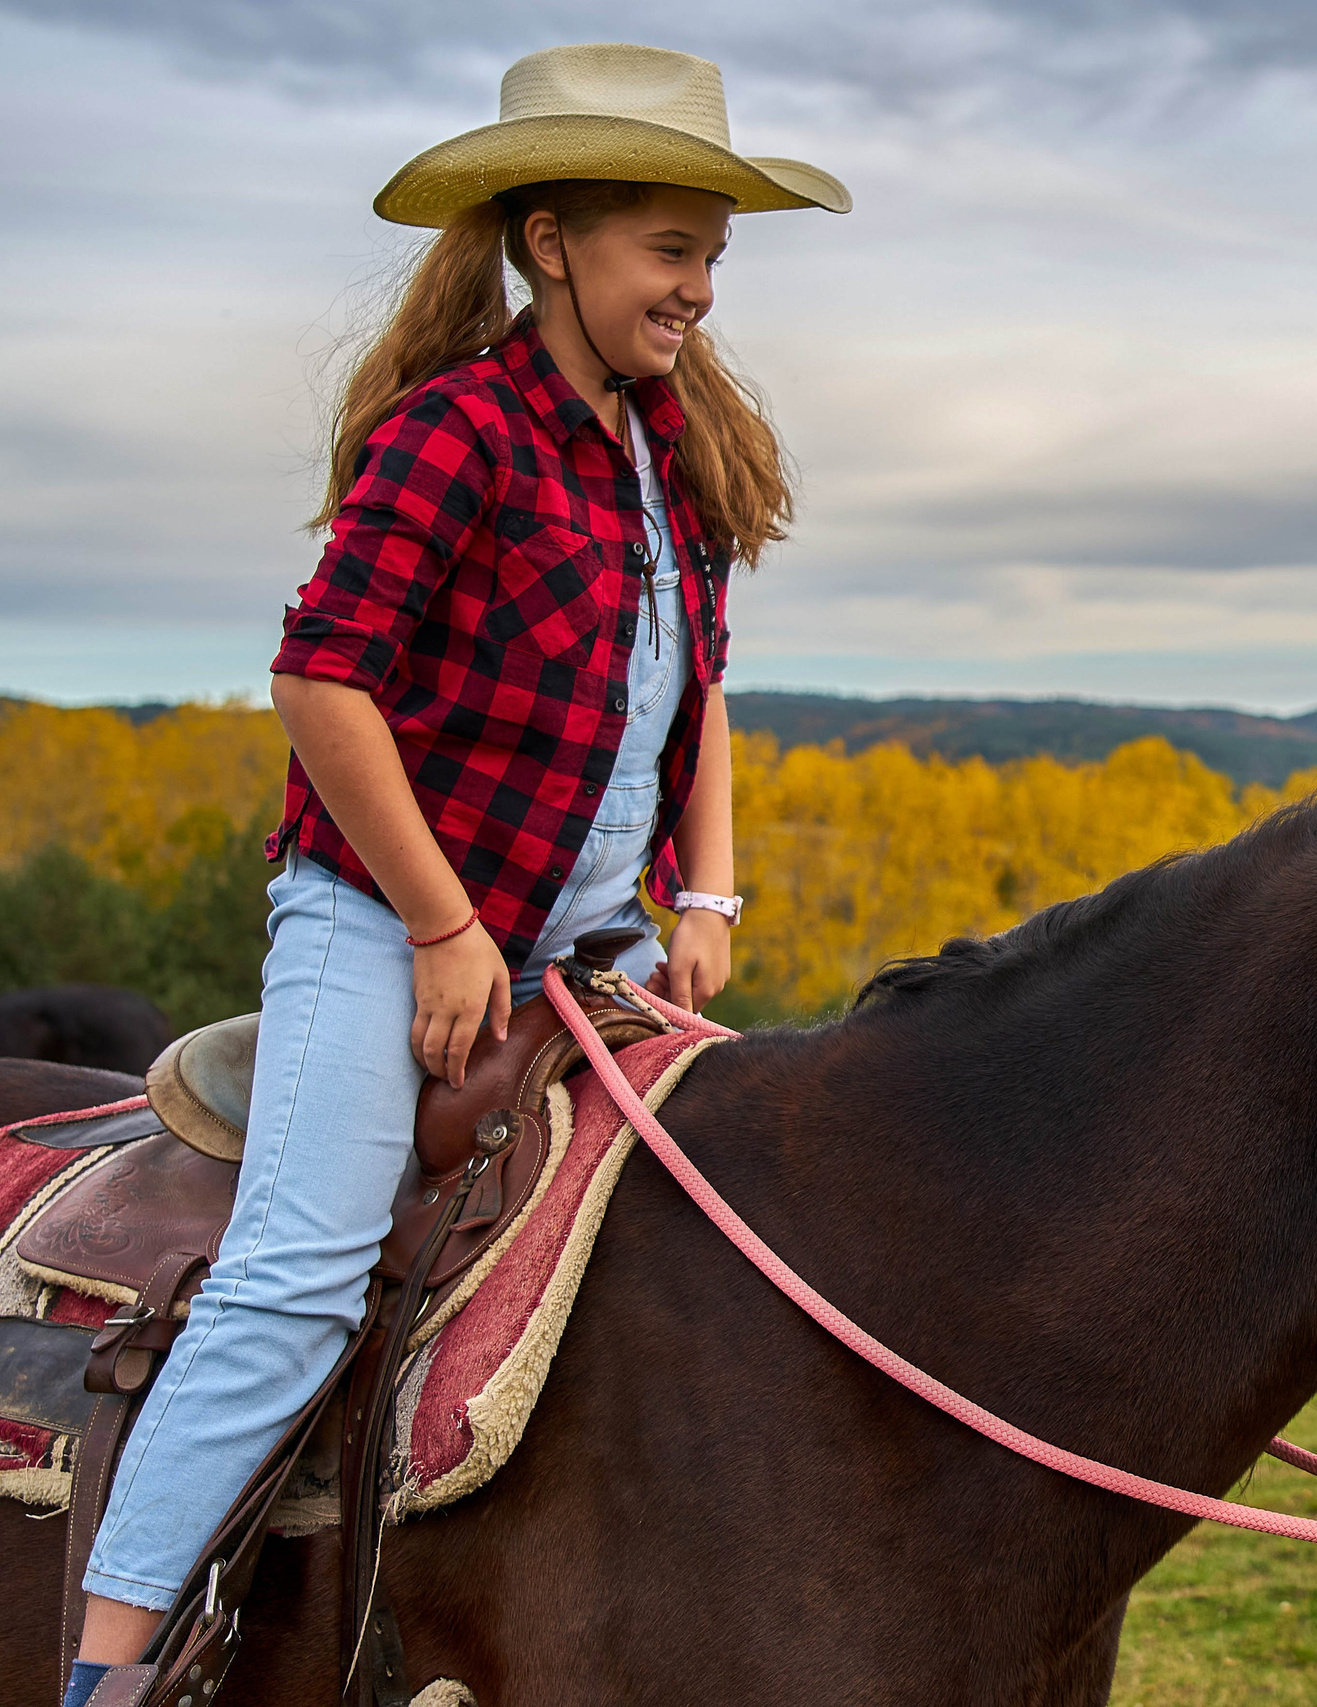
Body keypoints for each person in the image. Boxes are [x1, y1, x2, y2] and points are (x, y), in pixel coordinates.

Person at [64, 44, 846, 1704]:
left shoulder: (667, 456)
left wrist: (706, 899)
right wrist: (438, 923)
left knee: (718, 1234)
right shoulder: (457, 435)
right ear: (552, 241)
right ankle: (110, 1662)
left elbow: (694, 698)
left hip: (585, 946)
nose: (700, 289)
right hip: (385, 915)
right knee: (298, 1276)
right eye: (669, 249)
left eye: (713, 255)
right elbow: (321, 679)